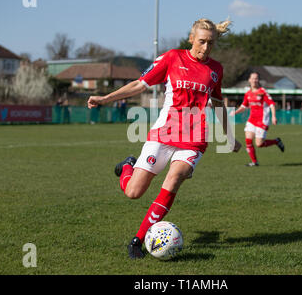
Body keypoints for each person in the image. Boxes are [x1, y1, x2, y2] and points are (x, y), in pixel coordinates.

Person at [87, 18, 241, 259]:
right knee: (133, 192)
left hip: (195, 138)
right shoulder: (172, 58)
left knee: (175, 176)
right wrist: (105, 99)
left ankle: (138, 240)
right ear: (191, 39)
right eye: (201, 42)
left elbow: (218, 103)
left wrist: (229, 138)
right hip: (164, 133)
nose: (205, 48)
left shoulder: (216, 69)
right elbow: (140, 84)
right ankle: (128, 165)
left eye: (210, 43)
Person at [230, 71, 284, 166]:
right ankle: (254, 162)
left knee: (259, 144)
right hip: (252, 120)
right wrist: (235, 112)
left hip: (262, 120)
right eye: (253, 78)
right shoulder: (248, 94)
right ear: (249, 80)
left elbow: (272, 104)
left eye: (256, 78)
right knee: (248, 140)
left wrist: (274, 116)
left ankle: (276, 141)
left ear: (258, 80)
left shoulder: (263, 92)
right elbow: (244, 106)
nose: (254, 80)